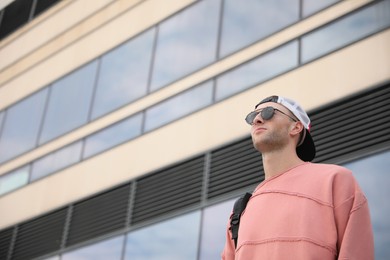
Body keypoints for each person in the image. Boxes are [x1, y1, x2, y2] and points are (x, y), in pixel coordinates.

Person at [221, 95, 374, 260]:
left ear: (296, 127)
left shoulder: (335, 180)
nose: (257, 119)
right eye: (253, 116)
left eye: (268, 112)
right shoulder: (240, 211)